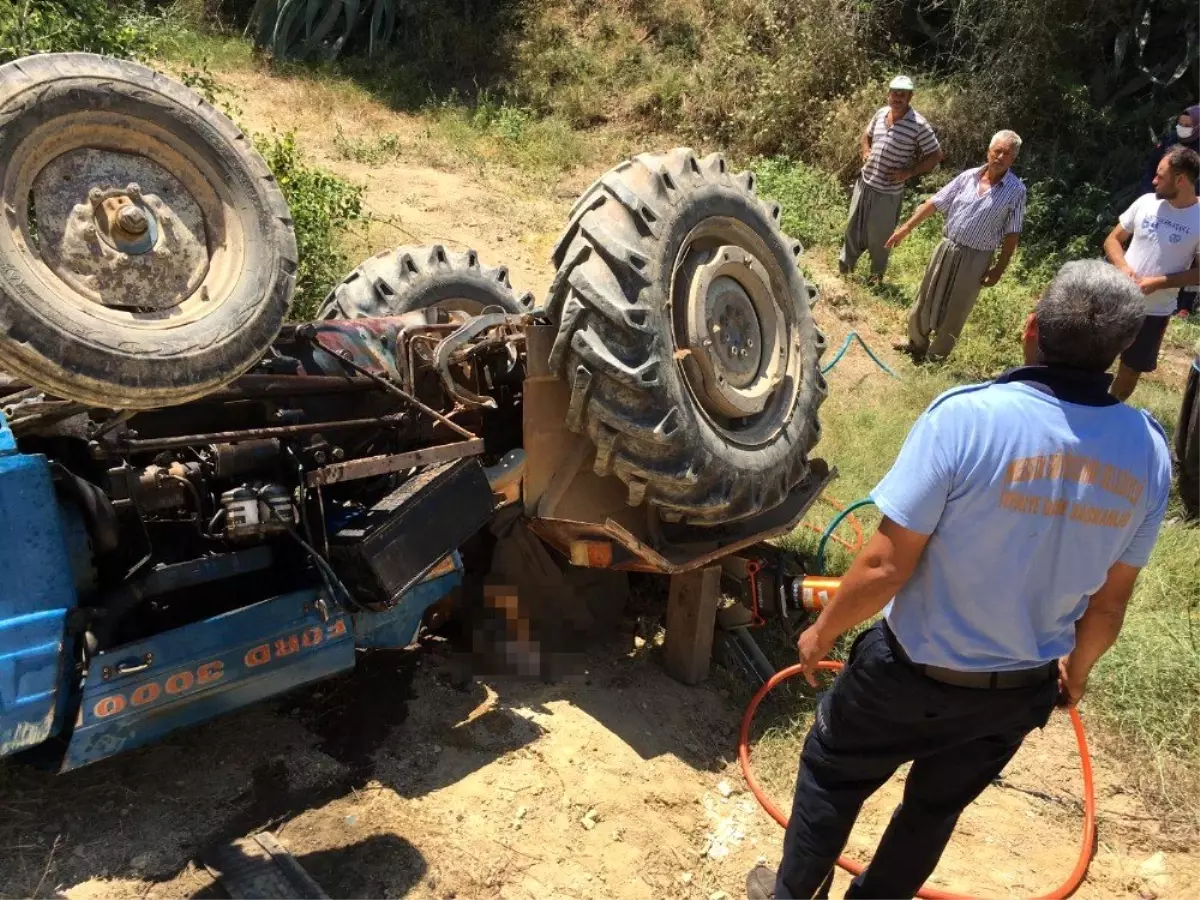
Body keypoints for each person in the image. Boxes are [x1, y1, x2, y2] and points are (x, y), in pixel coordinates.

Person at [746, 259, 1171, 900]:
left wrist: (822, 633)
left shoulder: (967, 417)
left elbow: (887, 565)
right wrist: (1073, 675)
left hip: (907, 673)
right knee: (932, 813)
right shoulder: (1147, 450)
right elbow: (1110, 606)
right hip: (1016, 692)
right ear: (1120, 353)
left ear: (1032, 329)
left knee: (832, 777)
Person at [888, 130, 1027, 361]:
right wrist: (906, 228)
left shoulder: (1016, 191)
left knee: (957, 307)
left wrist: (998, 269)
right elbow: (934, 202)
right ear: (989, 151)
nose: (1001, 157)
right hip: (947, 247)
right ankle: (916, 343)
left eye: (1007, 153)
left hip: (977, 257)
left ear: (1013, 159)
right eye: (997, 151)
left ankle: (936, 356)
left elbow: (1012, 234)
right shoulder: (968, 177)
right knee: (927, 295)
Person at [1104, 145, 1200, 400]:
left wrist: (1159, 282)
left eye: (1161, 175)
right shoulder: (1146, 202)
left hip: (1154, 311)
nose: (1154, 180)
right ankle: (1083, 403)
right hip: (1116, 299)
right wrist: (1123, 268)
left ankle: (1109, 413)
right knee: (1093, 355)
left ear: (1180, 180)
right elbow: (1113, 240)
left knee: (1130, 371)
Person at [839, 75, 944, 284]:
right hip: (865, 182)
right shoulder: (881, 113)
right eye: (894, 92)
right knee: (853, 227)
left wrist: (908, 173)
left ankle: (875, 278)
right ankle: (845, 269)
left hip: (888, 191)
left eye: (902, 94)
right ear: (888, 94)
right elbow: (866, 135)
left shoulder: (918, 125)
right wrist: (866, 150)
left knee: (880, 236)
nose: (897, 97)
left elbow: (935, 155)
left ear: (910, 97)